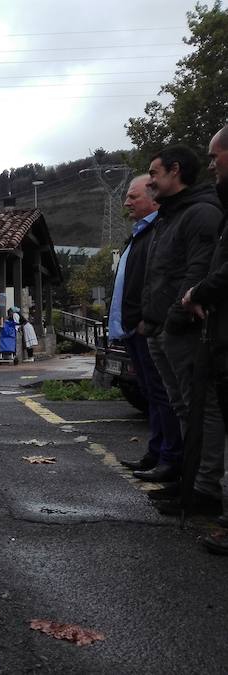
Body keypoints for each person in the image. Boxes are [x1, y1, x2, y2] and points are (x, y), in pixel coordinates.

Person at [138, 145, 224, 507]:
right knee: (183, 408)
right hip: (162, 328)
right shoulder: (171, 216)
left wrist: (173, 318)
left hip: (182, 329)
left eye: (154, 174)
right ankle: (191, 480)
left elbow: (196, 269)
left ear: (175, 171)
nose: (151, 182)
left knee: (200, 408)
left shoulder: (200, 213)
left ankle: (205, 487)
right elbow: (160, 274)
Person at [112, 176, 183, 478]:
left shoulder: (158, 230)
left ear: (153, 198)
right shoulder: (142, 233)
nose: (126, 202)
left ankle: (170, 458)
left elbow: (159, 279)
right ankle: (156, 453)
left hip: (146, 327)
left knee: (162, 394)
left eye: (133, 196)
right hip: (134, 328)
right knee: (152, 394)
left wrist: (146, 318)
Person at [181, 126, 228, 550]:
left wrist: (198, 292)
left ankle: (204, 488)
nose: (211, 163)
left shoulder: (205, 211)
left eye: (216, 156)